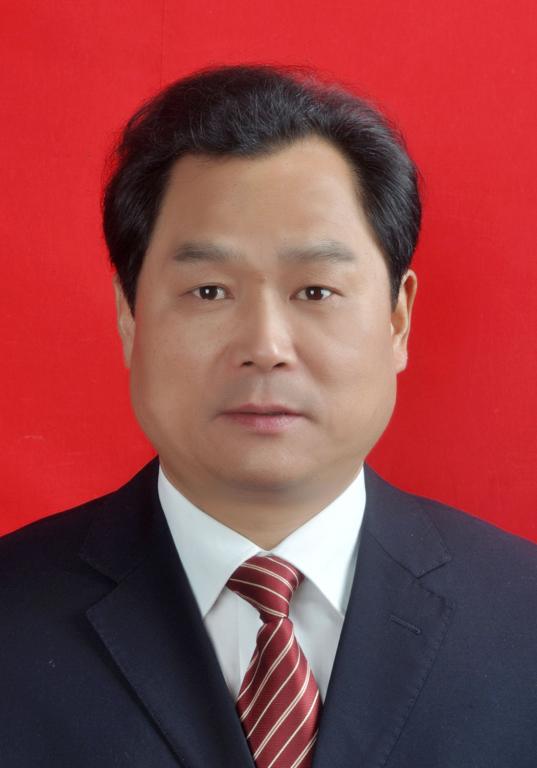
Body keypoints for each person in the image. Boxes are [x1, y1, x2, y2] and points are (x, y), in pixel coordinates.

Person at [1, 64, 536, 768]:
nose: (265, 346)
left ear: (397, 319)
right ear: (130, 317)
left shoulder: (522, 616)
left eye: (315, 291)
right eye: (208, 291)